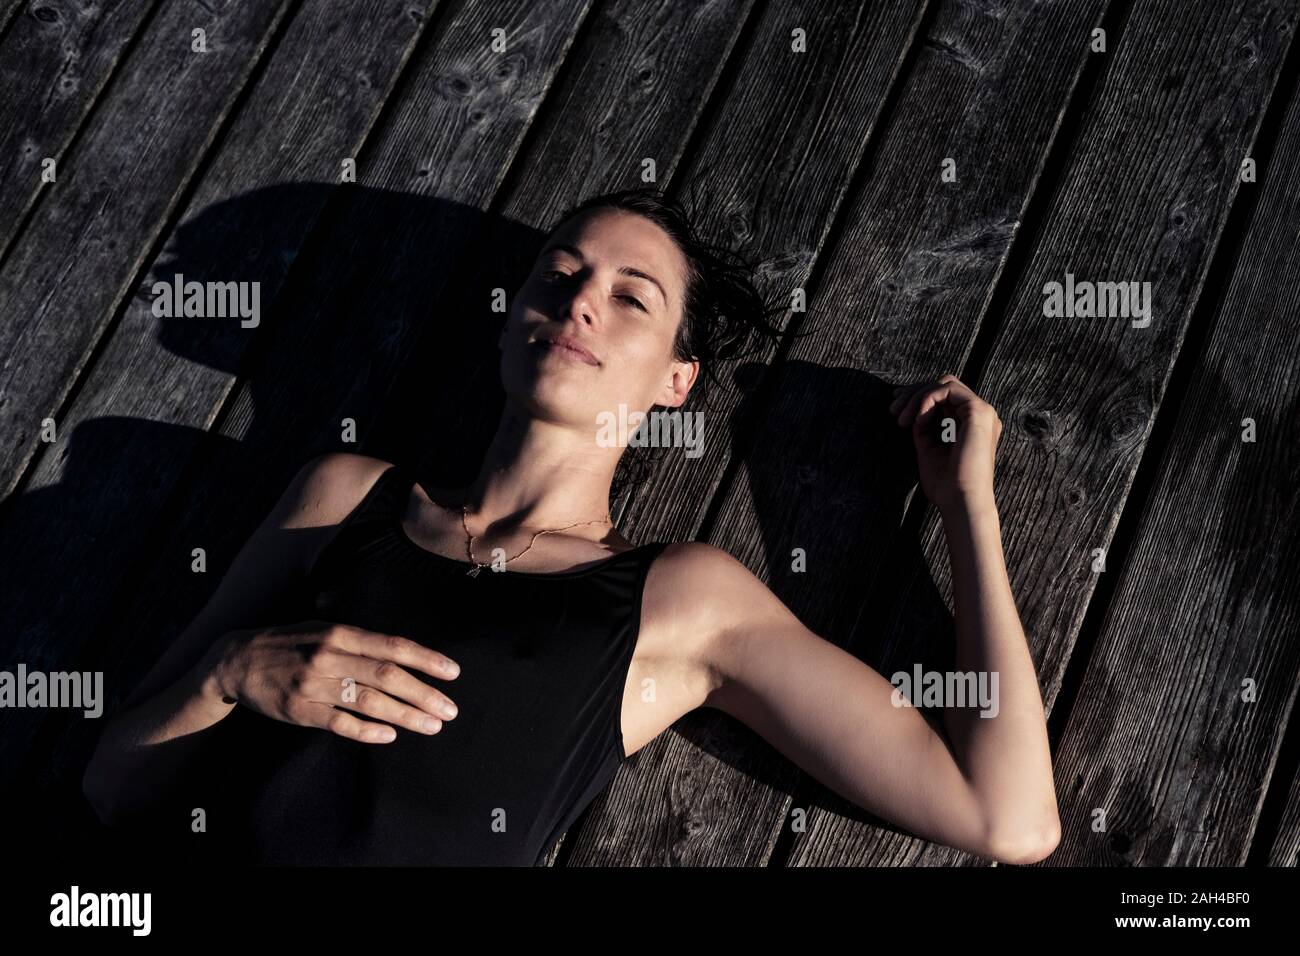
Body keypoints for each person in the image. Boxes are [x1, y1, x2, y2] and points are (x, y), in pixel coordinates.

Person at [82, 187, 1060, 866]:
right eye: (558, 274)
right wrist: (228, 672)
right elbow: (113, 783)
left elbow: (1006, 814)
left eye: (629, 297)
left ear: (676, 382)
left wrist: (964, 505)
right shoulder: (346, 495)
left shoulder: (676, 599)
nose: (578, 301)